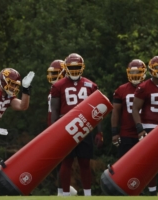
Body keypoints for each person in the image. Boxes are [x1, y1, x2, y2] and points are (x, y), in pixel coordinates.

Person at [51, 53, 103, 196]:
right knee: (66, 162)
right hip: (66, 127)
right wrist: (54, 130)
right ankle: (65, 194)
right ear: (65, 68)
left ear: (83, 67)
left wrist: (99, 131)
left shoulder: (91, 85)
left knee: (85, 162)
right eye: (71, 67)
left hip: (85, 126)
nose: (74, 70)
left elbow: (97, 110)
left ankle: (87, 194)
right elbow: (54, 110)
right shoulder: (58, 86)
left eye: (77, 67)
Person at [132, 55, 158, 196]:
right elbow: (135, 109)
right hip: (150, 126)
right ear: (152, 70)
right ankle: (152, 192)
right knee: (152, 162)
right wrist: (140, 129)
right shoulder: (144, 87)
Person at [47, 59, 77, 196]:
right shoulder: (57, 89)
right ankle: (62, 191)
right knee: (61, 162)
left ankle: (62, 190)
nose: (53, 76)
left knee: (64, 162)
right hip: (55, 129)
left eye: (56, 73)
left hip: (62, 128)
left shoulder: (61, 89)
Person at [111, 59, 147, 157]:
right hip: (127, 134)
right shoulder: (121, 90)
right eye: (132, 72)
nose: (135, 74)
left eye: (137, 72)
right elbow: (116, 111)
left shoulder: (149, 87)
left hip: (146, 131)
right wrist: (114, 131)